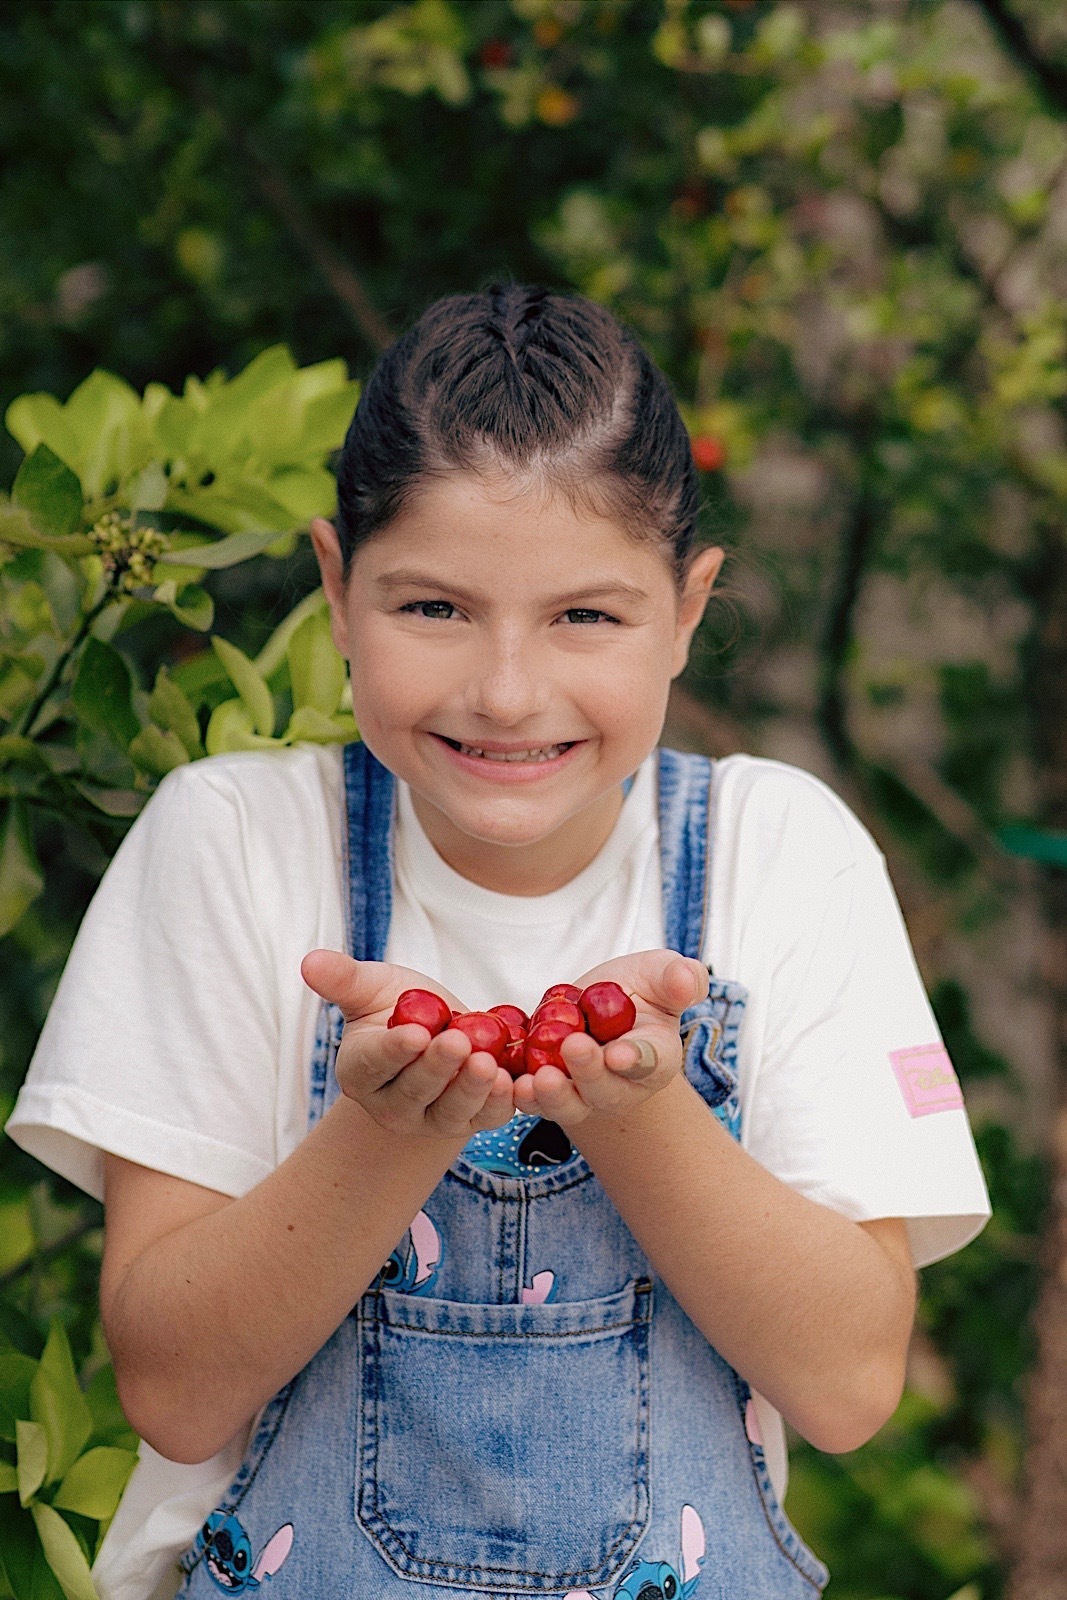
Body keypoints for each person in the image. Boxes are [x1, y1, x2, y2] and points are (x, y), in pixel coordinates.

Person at [6, 283, 991, 1600]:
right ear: (336, 589)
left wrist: (639, 1111)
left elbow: (851, 1381)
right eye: (433, 610)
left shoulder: (780, 856)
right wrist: (391, 1124)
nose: (509, 689)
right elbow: (175, 1390)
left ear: (688, 610)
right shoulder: (233, 843)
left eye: (587, 616)